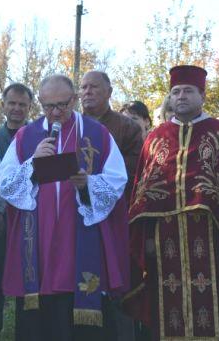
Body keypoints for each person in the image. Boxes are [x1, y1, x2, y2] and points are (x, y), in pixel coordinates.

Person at [124, 65, 219, 340]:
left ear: (202, 96)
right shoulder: (155, 138)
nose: (181, 96)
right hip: (163, 244)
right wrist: (146, 237)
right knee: (165, 313)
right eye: (176, 92)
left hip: (212, 241)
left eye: (188, 91)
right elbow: (143, 194)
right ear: (170, 98)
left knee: (217, 312)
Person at [0, 75, 128, 340]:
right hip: (40, 238)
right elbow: (6, 183)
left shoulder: (97, 133)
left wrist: (86, 184)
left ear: (75, 99)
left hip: (78, 236)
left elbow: (116, 180)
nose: (55, 113)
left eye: (62, 105)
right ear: (40, 103)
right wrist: (32, 163)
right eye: (48, 106)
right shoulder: (27, 136)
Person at [79, 70, 139, 340]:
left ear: (109, 92)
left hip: (114, 217)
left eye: (94, 87)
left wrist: (94, 180)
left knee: (115, 285)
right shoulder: (72, 124)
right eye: (83, 87)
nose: (87, 92)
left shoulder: (126, 127)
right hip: (76, 219)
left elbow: (135, 169)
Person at [0, 82, 33, 341]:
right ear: (3, 105)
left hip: (31, 220)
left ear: (29, 107)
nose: (16, 109)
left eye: (22, 104)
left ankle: (26, 331)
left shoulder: (38, 136)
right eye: (12, 103)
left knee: (30, 275)